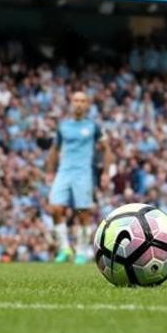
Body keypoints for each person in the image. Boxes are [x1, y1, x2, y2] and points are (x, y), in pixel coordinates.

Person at [45, 91, 111, 264]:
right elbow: (54, 149)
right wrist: (50, 171)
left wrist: (105, 172)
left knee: (83, 213)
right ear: (71, 102)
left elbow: (107, 149)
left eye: (82, 100)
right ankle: (64, 248)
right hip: (64, 172)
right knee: (55, 208)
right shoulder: (63, 126)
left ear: (87, 104)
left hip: (83, 173)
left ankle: (81, 251)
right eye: (76, 100)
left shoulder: (93, 126)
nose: (79, 104)